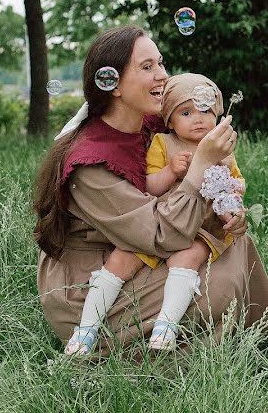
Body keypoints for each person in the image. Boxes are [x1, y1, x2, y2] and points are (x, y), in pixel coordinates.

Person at [34, 26, 268, 356]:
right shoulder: (90, 162)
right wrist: (200, 166)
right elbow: (161, 234)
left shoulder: (149, 124)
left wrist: (229, 203)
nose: (162, 76)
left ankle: (255, 336)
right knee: (216, 287)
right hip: (88, 283)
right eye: (147, 67)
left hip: (134, 249)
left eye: (161, 63)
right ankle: (141, 363)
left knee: (231, 243)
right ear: (114, 84)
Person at [64, 73, 246, 355]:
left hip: (199, 226)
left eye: (206, 111)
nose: (198, 119)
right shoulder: (163, 142)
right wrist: (171, 171)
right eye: (186, 112)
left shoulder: (221, 150)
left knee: (186, 259)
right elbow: (149, 186)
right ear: (169, 120)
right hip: (161, 219)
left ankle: (166, 326)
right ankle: (86, 329)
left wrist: (234, 209)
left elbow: (230, 189)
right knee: (119, 261)